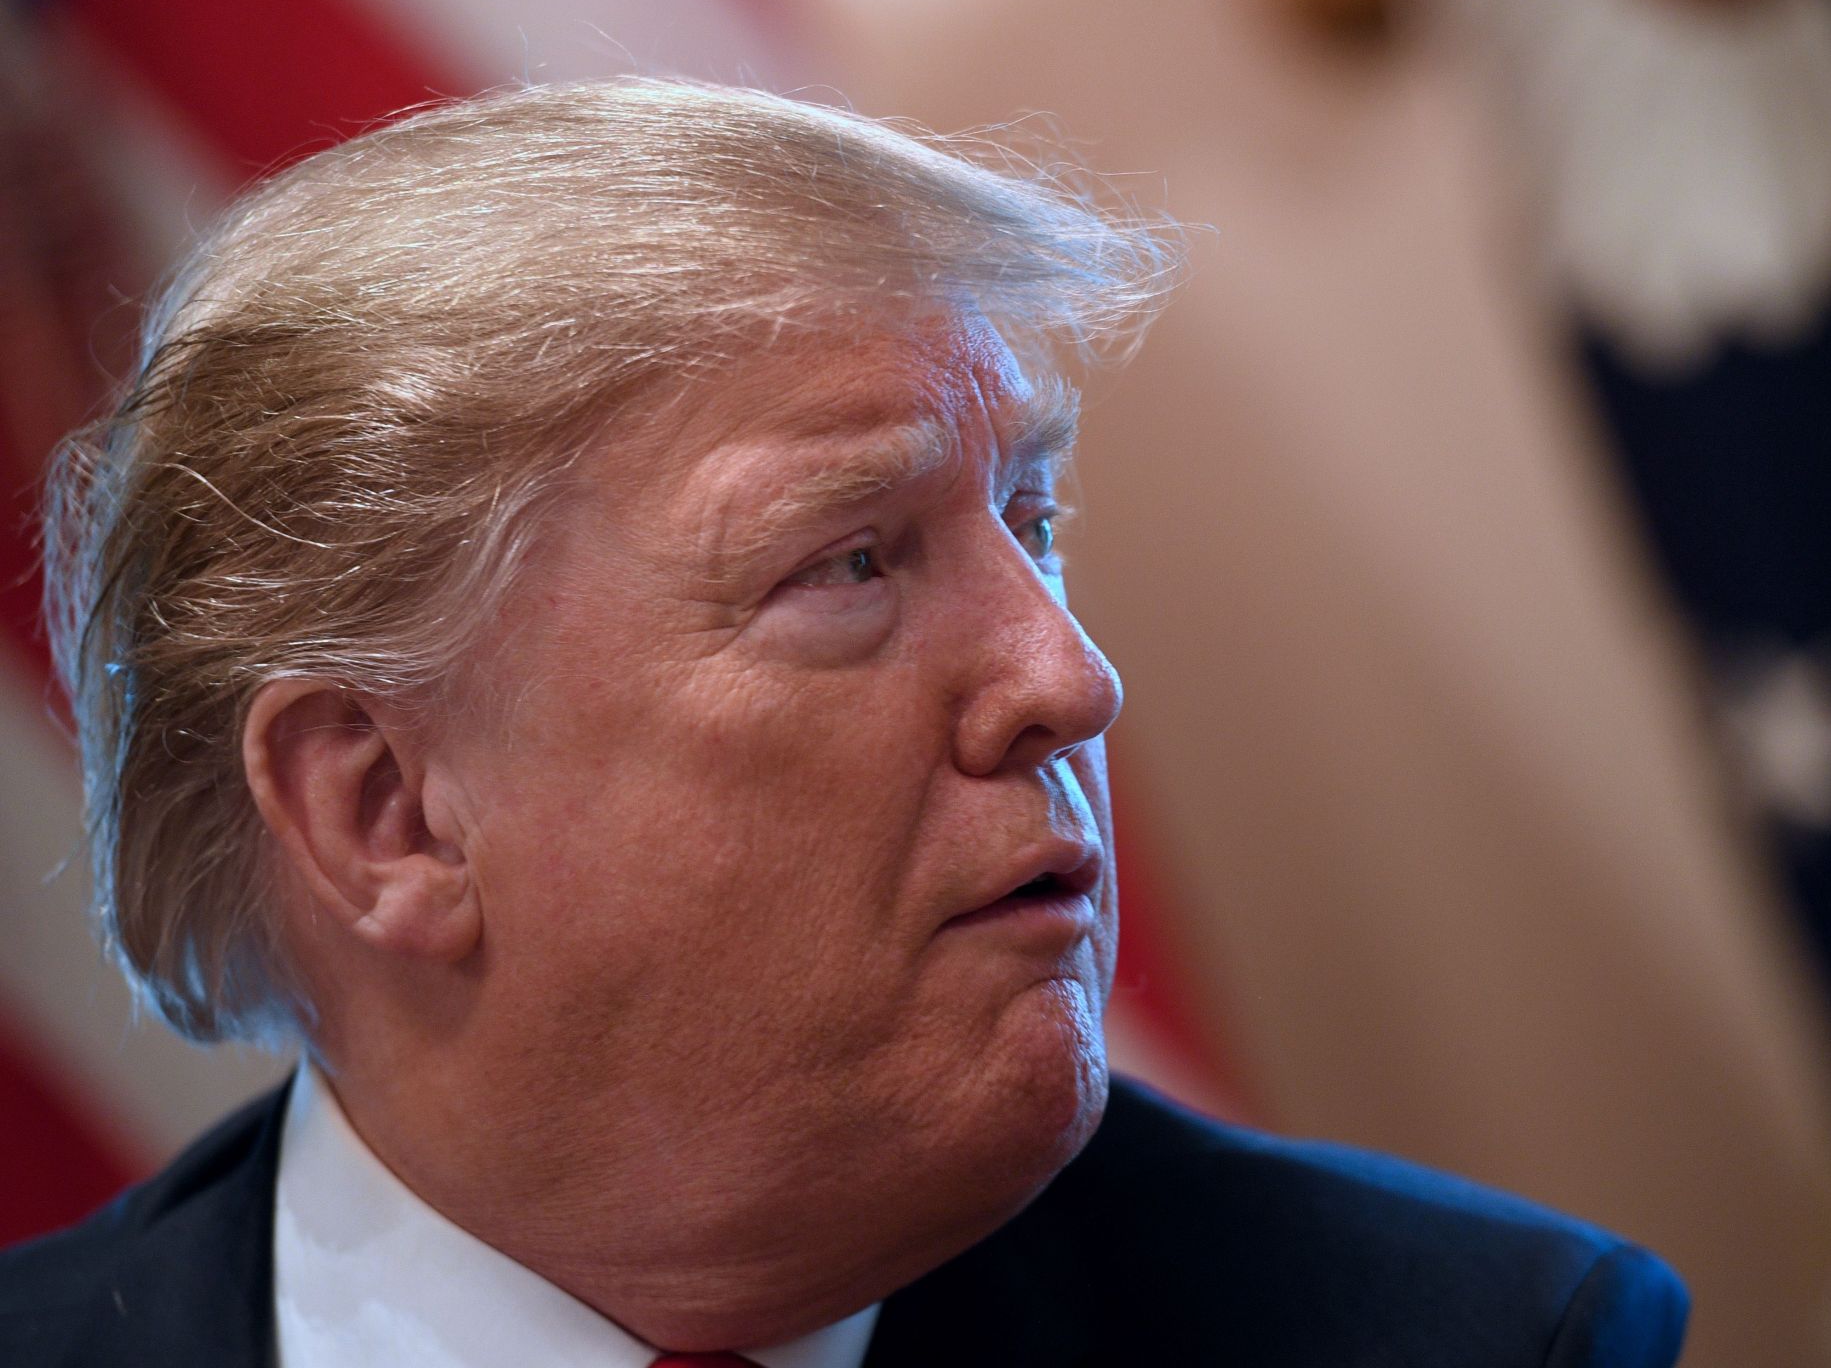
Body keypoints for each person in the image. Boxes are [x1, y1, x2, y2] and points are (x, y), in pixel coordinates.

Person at [0, 79, 1687, 1367]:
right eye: (851, 561)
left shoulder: (1474, 1336)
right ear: (388, 810)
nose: (1068, 680)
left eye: (1033, 520)